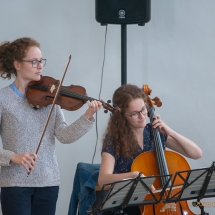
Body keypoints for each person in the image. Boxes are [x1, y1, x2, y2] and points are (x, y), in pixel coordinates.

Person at [0, 37, 102, 215]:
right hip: (15, 184)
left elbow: (64, 135)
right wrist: (13, 157)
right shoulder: (3, 99)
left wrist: (87, 116)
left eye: (41, 61)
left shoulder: (51, 97)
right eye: (34, 62)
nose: (40, 66)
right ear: (17, 64)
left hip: (48, 182)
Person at [98, 84, 202, 215]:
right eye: (134, 114)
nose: (142, 116)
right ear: (122, 115)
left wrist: (170, 132)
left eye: (143, 109)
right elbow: (103, 180)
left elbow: (196, 153)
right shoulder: (114, 139)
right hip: (128, 208)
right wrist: (134, 175)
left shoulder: (154, 133)